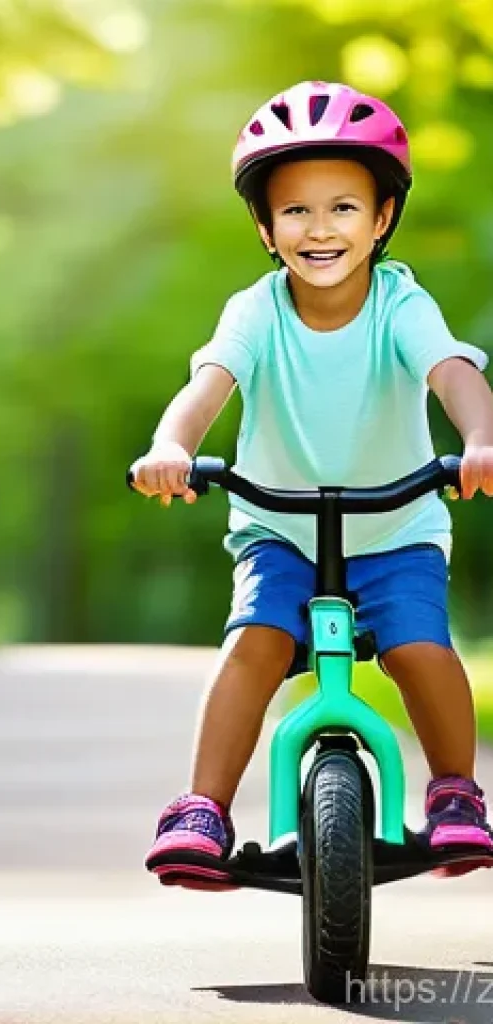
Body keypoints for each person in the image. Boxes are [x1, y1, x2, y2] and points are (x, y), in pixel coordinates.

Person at [128, 80, 493, 872]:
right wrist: (170, 446)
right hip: (279, 531)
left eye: (342, 208)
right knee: (254, 642)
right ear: (265, 227)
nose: (319, 229)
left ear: (382, 218)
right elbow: (207, 388)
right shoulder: (256, 310)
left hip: (398, 529)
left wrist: (482, 439)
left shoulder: (401, 304)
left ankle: (457, 791)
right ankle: (203, 810)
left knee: (419, 645)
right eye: (295, 211)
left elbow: (453, 372)